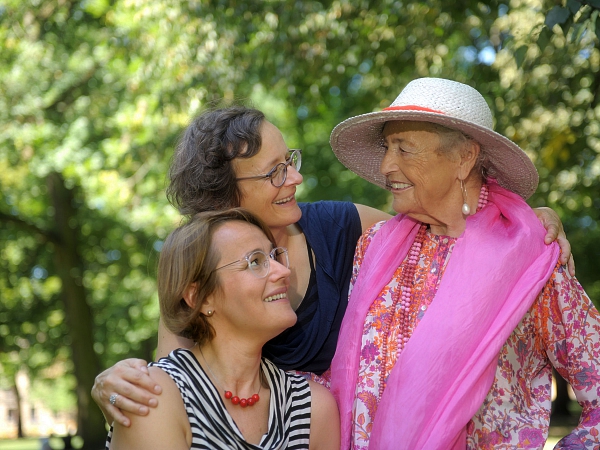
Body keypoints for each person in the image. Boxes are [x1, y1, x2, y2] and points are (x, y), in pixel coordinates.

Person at [92, 104, 571, 429]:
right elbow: (168, 376)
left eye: (291, 160)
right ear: (225, 195)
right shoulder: (201, 273)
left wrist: (528, 225)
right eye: (275, 172)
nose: (296, 178)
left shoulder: (343, 227)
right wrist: (116, 385)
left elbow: (447, 235)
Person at [328, 77, 600, 449]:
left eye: (404, 149)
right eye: (387, 147)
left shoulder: (532, 257)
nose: (386, 164)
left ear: (464, 157)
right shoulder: (374, 247)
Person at [107, 208, 340, 449]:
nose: (283, 271)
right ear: (200, 297)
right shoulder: (153, 394)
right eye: (256, 262)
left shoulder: (313, 407)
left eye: (274, 257)